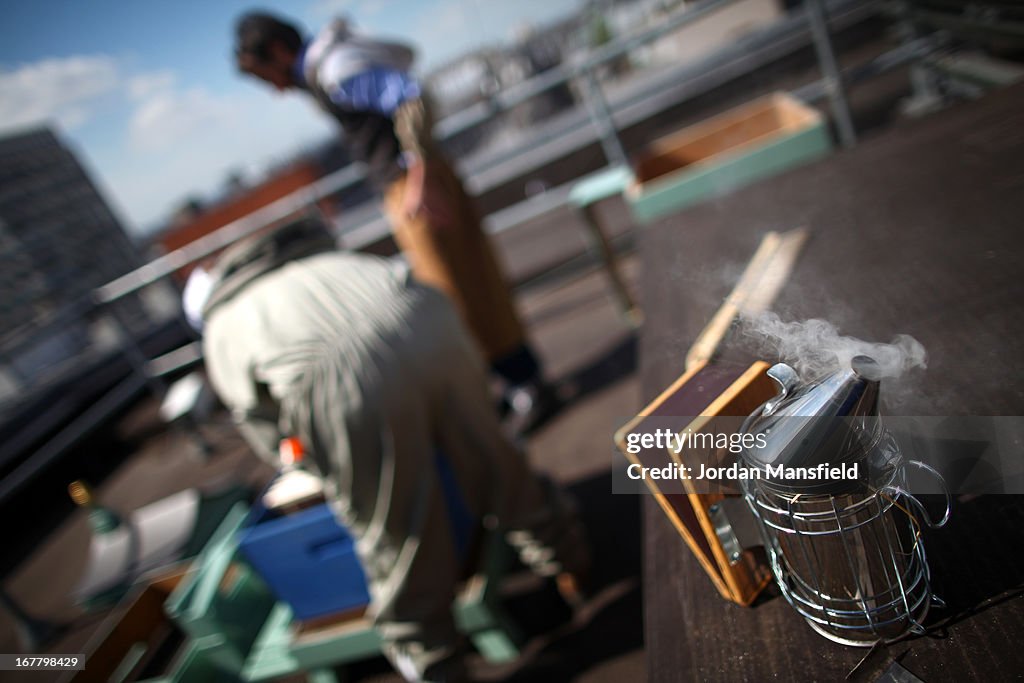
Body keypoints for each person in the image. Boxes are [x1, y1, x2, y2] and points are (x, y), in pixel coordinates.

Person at [198, 217, 589, 682]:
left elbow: (262, 425)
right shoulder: (323, 260)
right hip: (425, 317)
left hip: (334, 373)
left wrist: (310, 460)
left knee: (398, 533)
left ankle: (435, 663)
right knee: (496, 462)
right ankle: (570, 563)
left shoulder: (222, 325)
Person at [233, 11, 558, 434]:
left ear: (277, 51)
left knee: (461, 292)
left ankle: (525, 385)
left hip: (415, 184)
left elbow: (411, 98)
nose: (274, 89)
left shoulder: (334, 69)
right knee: (461, 290)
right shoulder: (327, 67)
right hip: (411, 182)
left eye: (265, 75)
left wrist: (420, 178)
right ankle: (514, 384)